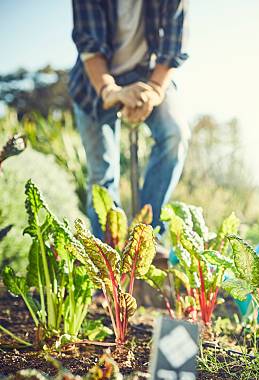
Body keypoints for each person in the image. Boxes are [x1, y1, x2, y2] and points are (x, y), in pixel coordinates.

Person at [69, 0, 191, 250]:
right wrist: (110, 91)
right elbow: (90, 44)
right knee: (102, 175)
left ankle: (146, 240)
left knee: (174, 133)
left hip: (148, 75)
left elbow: (172, 47)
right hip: (95, 84)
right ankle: (108, 260)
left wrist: (155, 91)